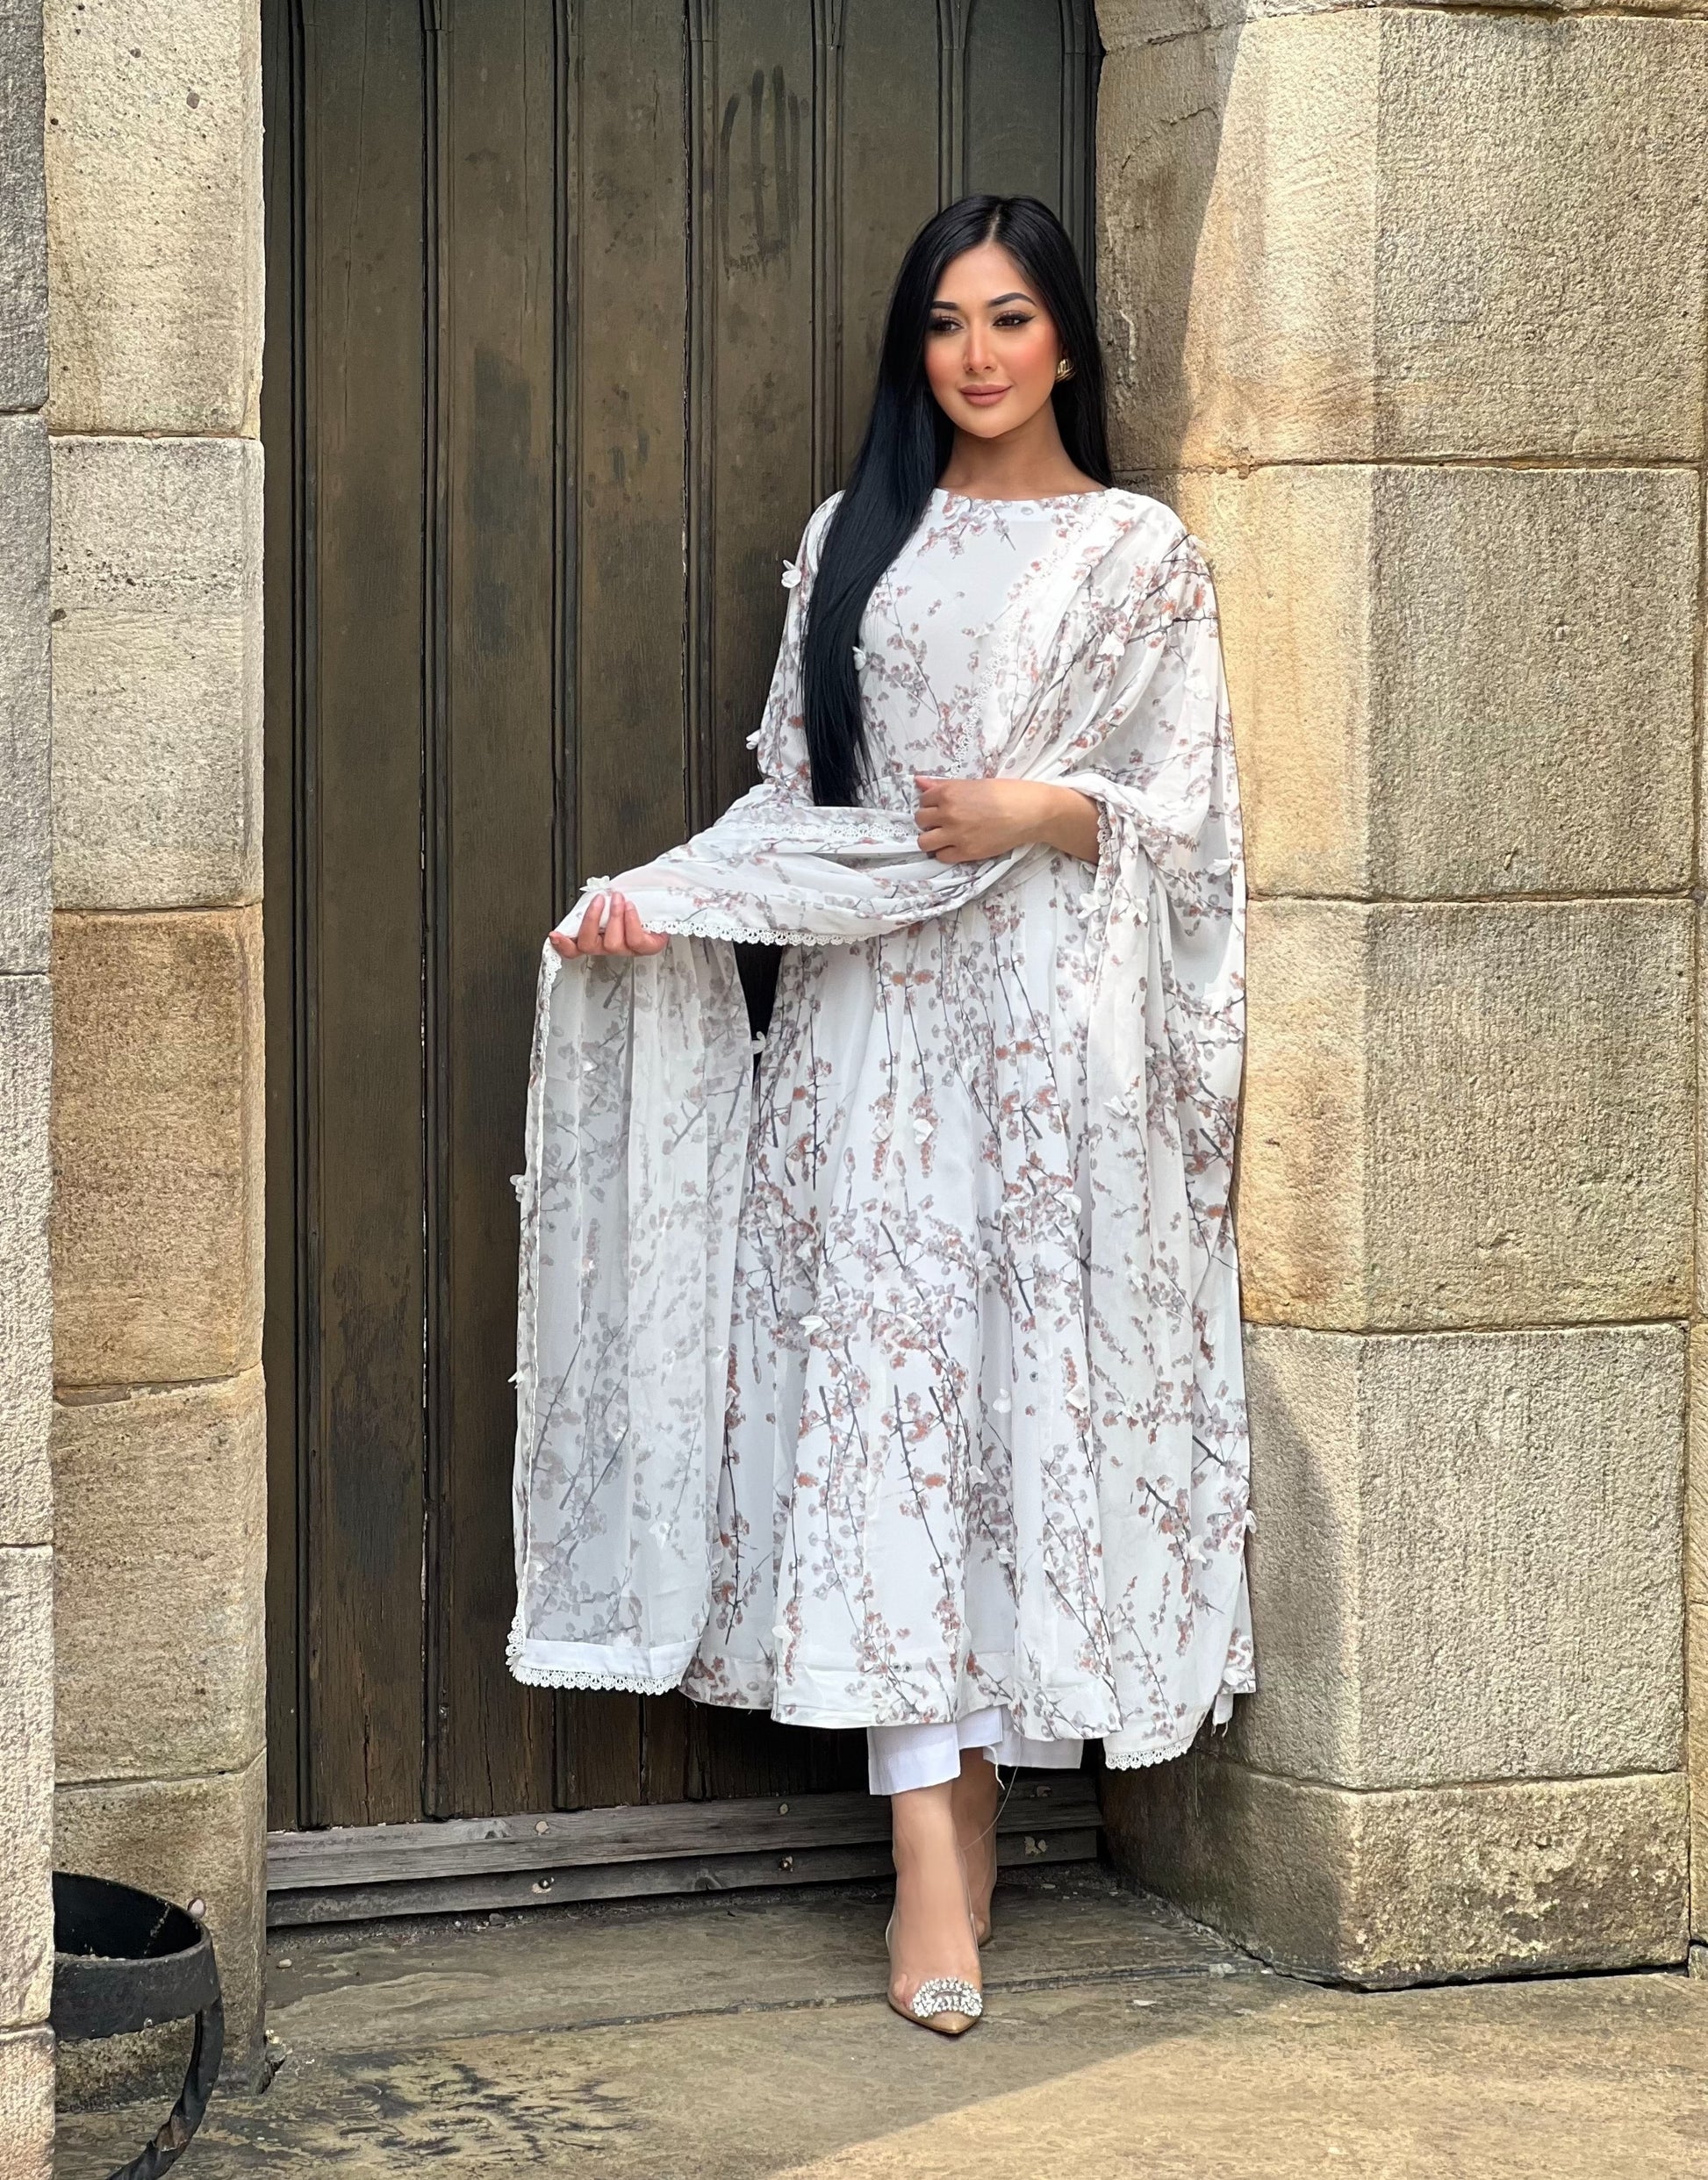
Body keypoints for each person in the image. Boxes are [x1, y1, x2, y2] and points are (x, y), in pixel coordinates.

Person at [508, 194, 1253, 2036]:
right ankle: (931, 1838)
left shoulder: (1137, 553)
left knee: (1007, 1404)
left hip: (1048, 1056)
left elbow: (1187, 818)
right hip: (870, 1050)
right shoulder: (855, 535)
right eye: (944, 323)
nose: (976, 355)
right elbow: (801, 804)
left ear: (1065, 342)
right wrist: (658, 900)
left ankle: (980, 1783)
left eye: (1009, 319)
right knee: (884, 1414)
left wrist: (1041, 811)